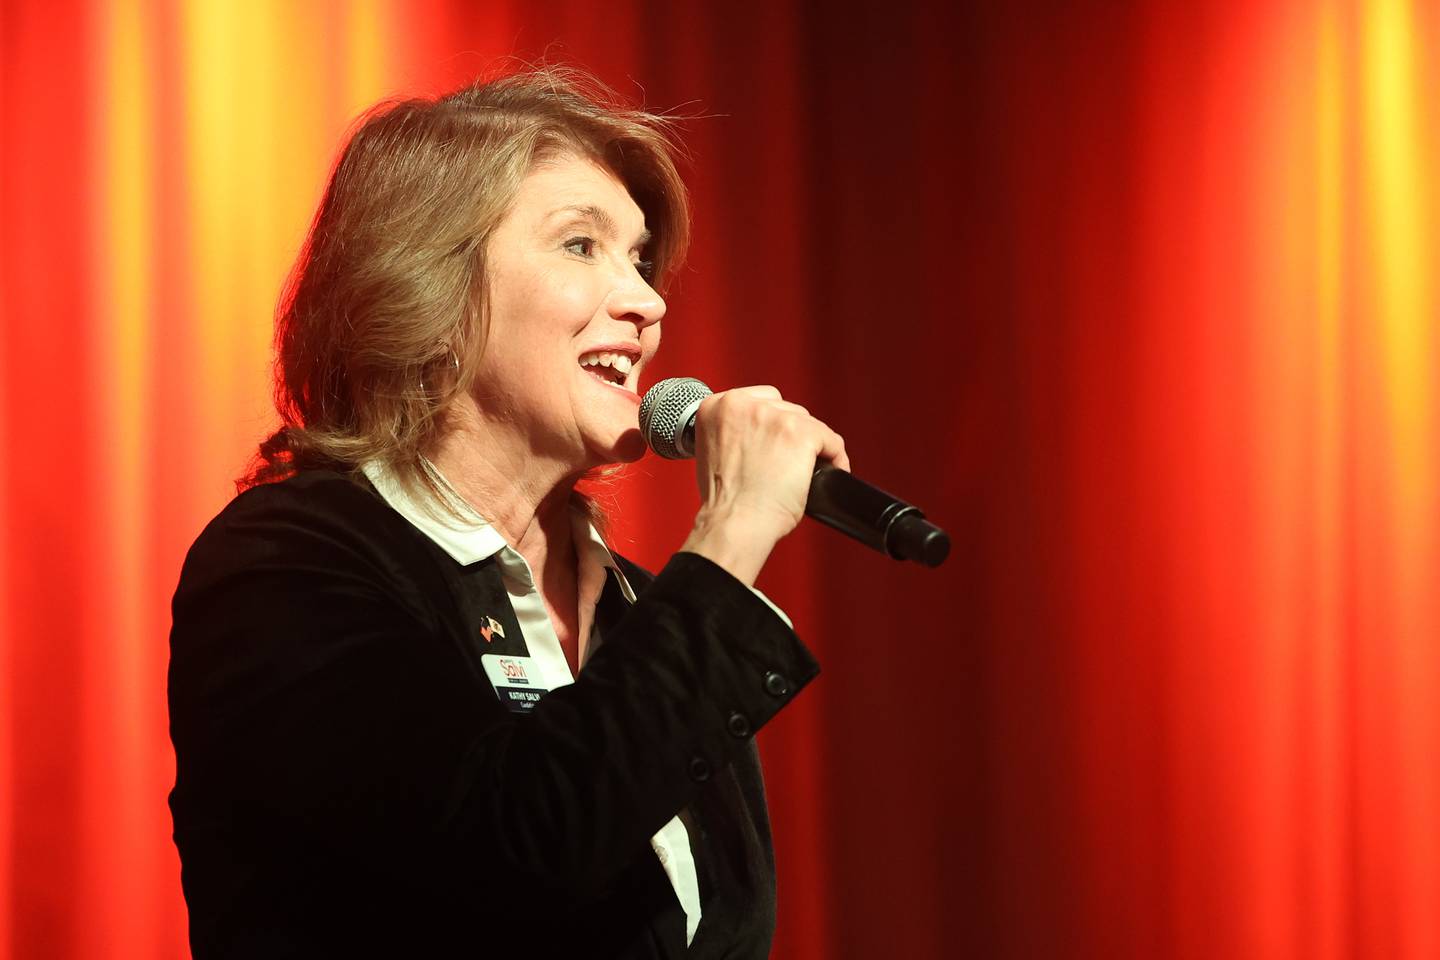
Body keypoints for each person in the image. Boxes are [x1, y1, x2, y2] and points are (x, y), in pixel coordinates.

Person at [167, 66, 849, 959]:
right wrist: (729, 534)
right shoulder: (287, 565)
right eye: (580, 246)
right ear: (431, 295)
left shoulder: (646, 613)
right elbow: (517, 847)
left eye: (641, 259)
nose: (647, 302)